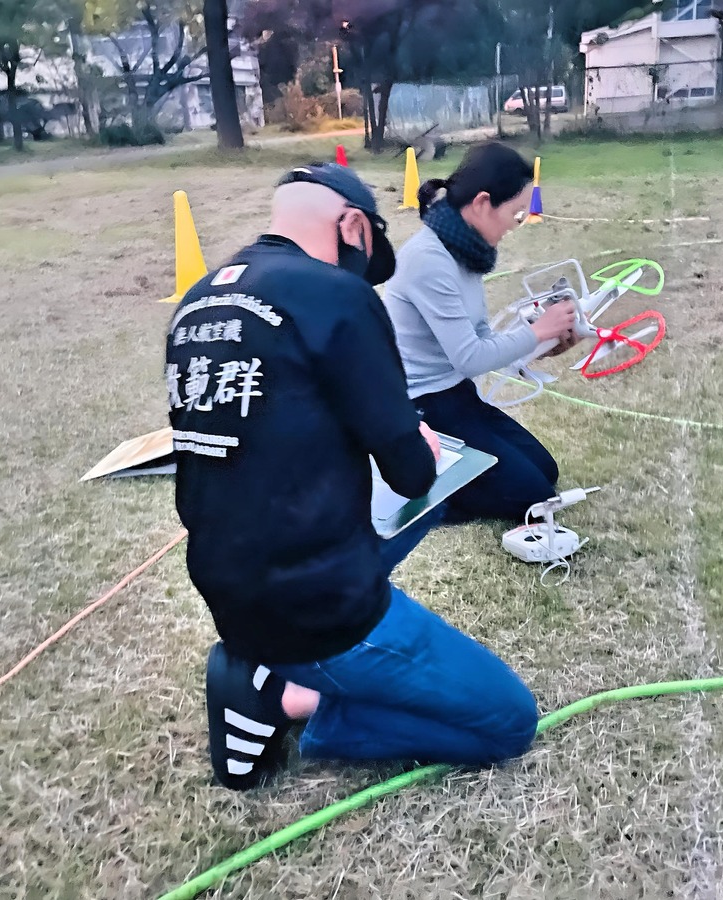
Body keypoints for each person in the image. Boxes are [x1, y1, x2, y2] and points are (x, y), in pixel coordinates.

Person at [165, 162, 538, 791]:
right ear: (353, 226)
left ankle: (255, 661)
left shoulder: (198, 301)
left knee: (423, 515)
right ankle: (286, 701)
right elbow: (412, 470)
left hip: (228, 586)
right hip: (318, 606)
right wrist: (412, 438)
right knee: (509, 721)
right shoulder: (339, 295)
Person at [383, 142, 581, 523]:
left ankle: (452, 473)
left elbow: (480, 339)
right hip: (424, 407)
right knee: (533, 497)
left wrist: (544, 344)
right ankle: (420, 488)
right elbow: (469, 357)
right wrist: (538, 331)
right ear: (482, 203)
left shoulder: (467, 251)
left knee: (546, 471)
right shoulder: (429, 258)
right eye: (515, 213)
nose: (515, 224)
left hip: (457, 395)